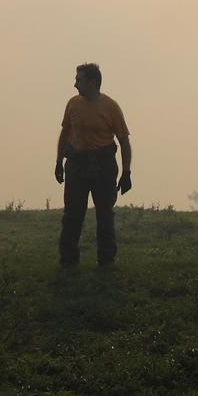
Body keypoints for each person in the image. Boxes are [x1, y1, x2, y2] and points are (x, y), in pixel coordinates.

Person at [55, 62, 132, 268]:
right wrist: (58, 162)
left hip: (103, 166)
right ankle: (68, 261)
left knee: (104, 213)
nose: (75, 84)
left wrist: (126, 172)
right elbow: (65, 133)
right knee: (72, 213)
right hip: (76, 165)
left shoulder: (111, 107)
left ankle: (106, 260)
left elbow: (124, 140)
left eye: (78, 80)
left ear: (92, 82)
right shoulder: (72, 104)